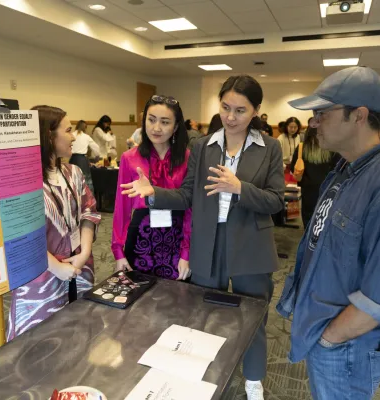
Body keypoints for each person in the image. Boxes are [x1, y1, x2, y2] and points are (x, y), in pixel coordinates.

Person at [277, 67, 380, 400]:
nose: (313, 122)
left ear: (359, 116)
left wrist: (330, 338)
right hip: (327, 329)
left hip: (346, 344)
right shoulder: (346, 171)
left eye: (322, 113)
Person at [120, 75, 284, 400]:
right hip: (208, 245)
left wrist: (240, 188)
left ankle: (253, 382)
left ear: (256, 111)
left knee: (253, 318)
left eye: (240, 110)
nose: (231, 117)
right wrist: (155, 193)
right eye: (225, 107)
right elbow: (186, 196)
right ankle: (210, 377)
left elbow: (277, 200)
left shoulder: (270, 148)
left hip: (251, 245)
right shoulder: (203, 146)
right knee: (207, 316)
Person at [7, 105, 100, 341]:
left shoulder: (74, 173)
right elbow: (21, 235)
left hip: (79, 267)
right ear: (49, 135)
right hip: (42, 277)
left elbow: (89, 212)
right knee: (42, 344)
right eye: (68, 130)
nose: (73, 136)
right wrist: (56, 267)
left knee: (80, 335)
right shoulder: (23, 183)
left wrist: (85, 251)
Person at [112, 95, 191, 280]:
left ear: (176, 126)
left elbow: (190, 208)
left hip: (177, 239)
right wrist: (118, 250)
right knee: (137, 299)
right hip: (141, 237)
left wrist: (186, 252)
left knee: (175, 300)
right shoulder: (129, 158)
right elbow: (121, 208)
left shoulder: (187, 158)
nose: (156, 128)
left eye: (165, 122)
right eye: (151, 120)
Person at [289, 126, 340, 228]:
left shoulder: (301, 148)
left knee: (308, 218)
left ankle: (309, 240)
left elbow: (293, 167)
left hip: (308, 190)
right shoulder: (332, 148)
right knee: (325, 218)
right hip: (329, 189)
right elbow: (338, 169)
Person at [71, 120, 100, 193]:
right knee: (85, 182)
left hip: (72, 159)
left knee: (73, 181)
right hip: (82, 160)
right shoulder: (86, 137)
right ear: (85, 128)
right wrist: (97, 157)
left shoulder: (71, 135)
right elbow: (96, 148)